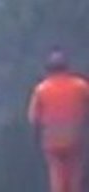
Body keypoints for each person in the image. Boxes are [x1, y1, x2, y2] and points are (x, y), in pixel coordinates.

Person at [28, 49, 89, 192]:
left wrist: (36, 140)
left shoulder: (41, 90)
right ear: (67, 67)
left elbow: (34, 119)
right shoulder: (80, 86)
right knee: (75, 175)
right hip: (75, 138)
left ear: (48, 69)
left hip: (51, 141)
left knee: (56, 175)